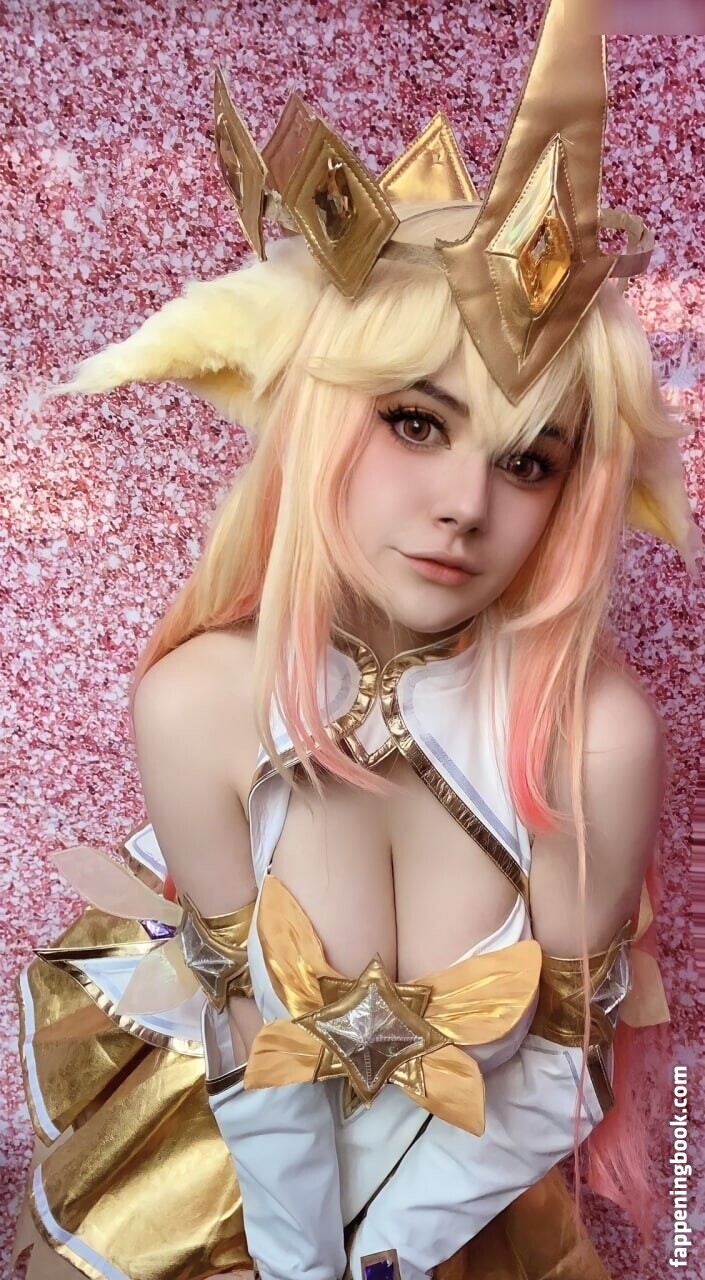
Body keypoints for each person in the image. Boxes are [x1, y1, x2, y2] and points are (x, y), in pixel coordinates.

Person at [14, 2, 702, 1279]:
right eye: (416, 421)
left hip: (446, 1224)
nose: (465, 504)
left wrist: (381, 1259)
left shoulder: (595, 738)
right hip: (229, 1187)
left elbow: (559, 1074)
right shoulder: (197, 704)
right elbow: (248, 1040)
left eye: (530, 459)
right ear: (321, 417)